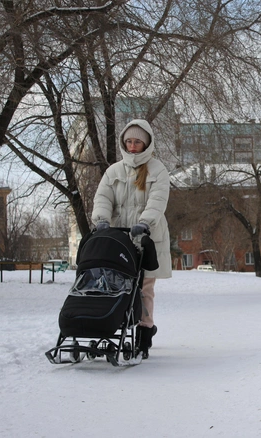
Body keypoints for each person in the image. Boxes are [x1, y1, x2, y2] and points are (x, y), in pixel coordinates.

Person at [91, 119, 172, 359]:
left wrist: (145, 222)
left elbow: (158, 201)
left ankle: (144, 332)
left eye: (138, 141)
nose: (133, 146)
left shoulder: (157, 170)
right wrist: (102, 219)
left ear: (146, 142)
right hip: (120, 239)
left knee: (144, 288)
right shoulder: (113, 171)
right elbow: (102, 198)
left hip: (147, 239)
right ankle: (110, 326)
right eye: (129, 141)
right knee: (114, 285)